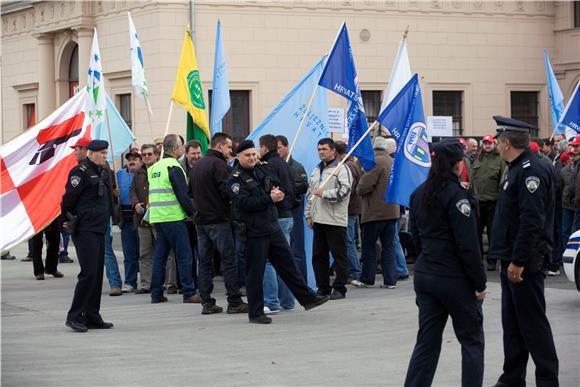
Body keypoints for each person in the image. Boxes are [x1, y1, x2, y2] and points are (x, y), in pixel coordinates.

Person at [404, 139, 487, 387]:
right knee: (472, 341)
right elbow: (468, 245)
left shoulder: (419, 193)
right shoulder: (457, 196)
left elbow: (415, 237)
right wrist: (479, 283)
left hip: (426, 273)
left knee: (426, 342)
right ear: (458, 164)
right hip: (453, 278)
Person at [489, 116, 559, 387]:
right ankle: (512, 378)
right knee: (514, 325)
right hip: (511, 258)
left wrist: (518, 261)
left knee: (533, 326)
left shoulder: (531, 170)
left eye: (498, 140)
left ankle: (547, 380)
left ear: (506, 143)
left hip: (524, 262)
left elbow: (532, 221)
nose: (495, 144)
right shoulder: (516, 167)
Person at [228, 140, 330, 324]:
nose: (252, 158)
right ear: (238, 157)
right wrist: (269, 198)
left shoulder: (261, 168)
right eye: (247, 155)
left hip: (272, 226)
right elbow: (244, 204)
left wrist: (277, 192)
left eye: (253, 154)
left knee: (288, 264)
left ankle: (308, 298)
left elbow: (273, 184)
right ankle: (256, 313)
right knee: (256, 273)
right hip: (254, 231)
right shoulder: (235, 178)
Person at [189, 132, 247, 315]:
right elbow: (228, 191)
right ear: (220, 146)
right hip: (218, 220)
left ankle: (207, 302)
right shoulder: (220, 165)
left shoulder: (197, 165)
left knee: (204, 262)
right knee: (229, 261)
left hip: (201, 221)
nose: (230, 150)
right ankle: (234, 301)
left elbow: (189, 192)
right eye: (229, 147)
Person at [61, 139, 114, 332]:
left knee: (97, 274)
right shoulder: (80, 172)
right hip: (85, 229)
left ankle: (92, 315)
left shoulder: (102, 171)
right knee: (88, 273)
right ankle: (74, 315)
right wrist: (66, 221)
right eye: (101, 153)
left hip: (99, 228)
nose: (105, 156)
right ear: (91, 154)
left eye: (106, 153)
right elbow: (68, 200)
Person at [148, 134, 198, 304]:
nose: (182, 149)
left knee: (160, 257)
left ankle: (156, 293)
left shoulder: (154, 168)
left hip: (158, 218)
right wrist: (194, 214)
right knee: (184, 255)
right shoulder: (174, 167)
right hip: (174, 217)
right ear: (175, 148)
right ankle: (189, 292)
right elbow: (183, 196)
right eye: (181, 146)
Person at [305, 138, 352, 300]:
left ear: (333, 150)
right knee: (318, 256)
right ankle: (323, 287)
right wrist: (308, 214)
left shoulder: (341, 168)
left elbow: (345, 191)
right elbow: (310, 194)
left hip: (334, 219)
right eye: (319, 149)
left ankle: (339, 288)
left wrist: (324, 194)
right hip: (318, 219)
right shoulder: (316, 169)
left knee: (339, 256)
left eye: (324, 149)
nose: (321, 152)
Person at [352, 137, 400, 289]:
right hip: (392, 211)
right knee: (389, 247)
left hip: (375, 212)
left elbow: (363, 187)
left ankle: (367, 278)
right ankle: (391, 280)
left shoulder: (374, 162)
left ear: (373, 147)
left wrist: (359, 184)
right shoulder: (392, 162)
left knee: (369, 247)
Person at [259, 134, 296, 314]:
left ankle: (272, 302)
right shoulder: (285, 164)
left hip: (276, 217)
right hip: (288, 215)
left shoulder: (268, 166)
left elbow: (268, 190)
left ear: (264, 148)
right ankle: (287, 301)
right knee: (284, 260)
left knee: (269, 261)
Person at [276, 135, 309, 282]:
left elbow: (303, 185)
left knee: (296, 249)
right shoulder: (273, 166)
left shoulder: (295, 166)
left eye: (279, 148)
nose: (277, 151)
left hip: (294, 210)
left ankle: (302, 282)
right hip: (278, 212)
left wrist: (285, 190)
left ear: (286, 147)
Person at [471, 134, 506, 271]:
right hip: (478, 202)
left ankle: (492, 260)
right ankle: (479, 259)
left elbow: (502, 181)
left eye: (489, 143)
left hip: (493, 202)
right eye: (485, 143)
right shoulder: (477, 159)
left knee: (493, 233)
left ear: (494, 144)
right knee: (476, 232)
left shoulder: (500, 159)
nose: (487, 145)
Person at [130, 143, 159, 294]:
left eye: (150, 154)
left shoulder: (161, 170)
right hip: (142, 219)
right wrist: (135, 203)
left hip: (158, 217)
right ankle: (146, 284)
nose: (147, 157)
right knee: (144, 254)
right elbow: (132, 191)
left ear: (156, 155)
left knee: (164, 253)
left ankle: (168, 283)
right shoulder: (138, 173)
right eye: (144, 154)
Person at [335, 140, 362, 283]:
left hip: (349, 208)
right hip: (354, 207)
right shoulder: (353, 163)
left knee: (348, 241)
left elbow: (347, 190)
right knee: (348, 239)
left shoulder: (347, 166)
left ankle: (354, 271)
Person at [117, 150, 142, 293]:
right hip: (125, 218)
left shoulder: (144, 174)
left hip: (140, 216)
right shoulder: (120, 174)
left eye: (135, 159)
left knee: (145, 252)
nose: (132, 161)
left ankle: (147, 280)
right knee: (129, 253)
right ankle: (130, 281)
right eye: (130, 159)